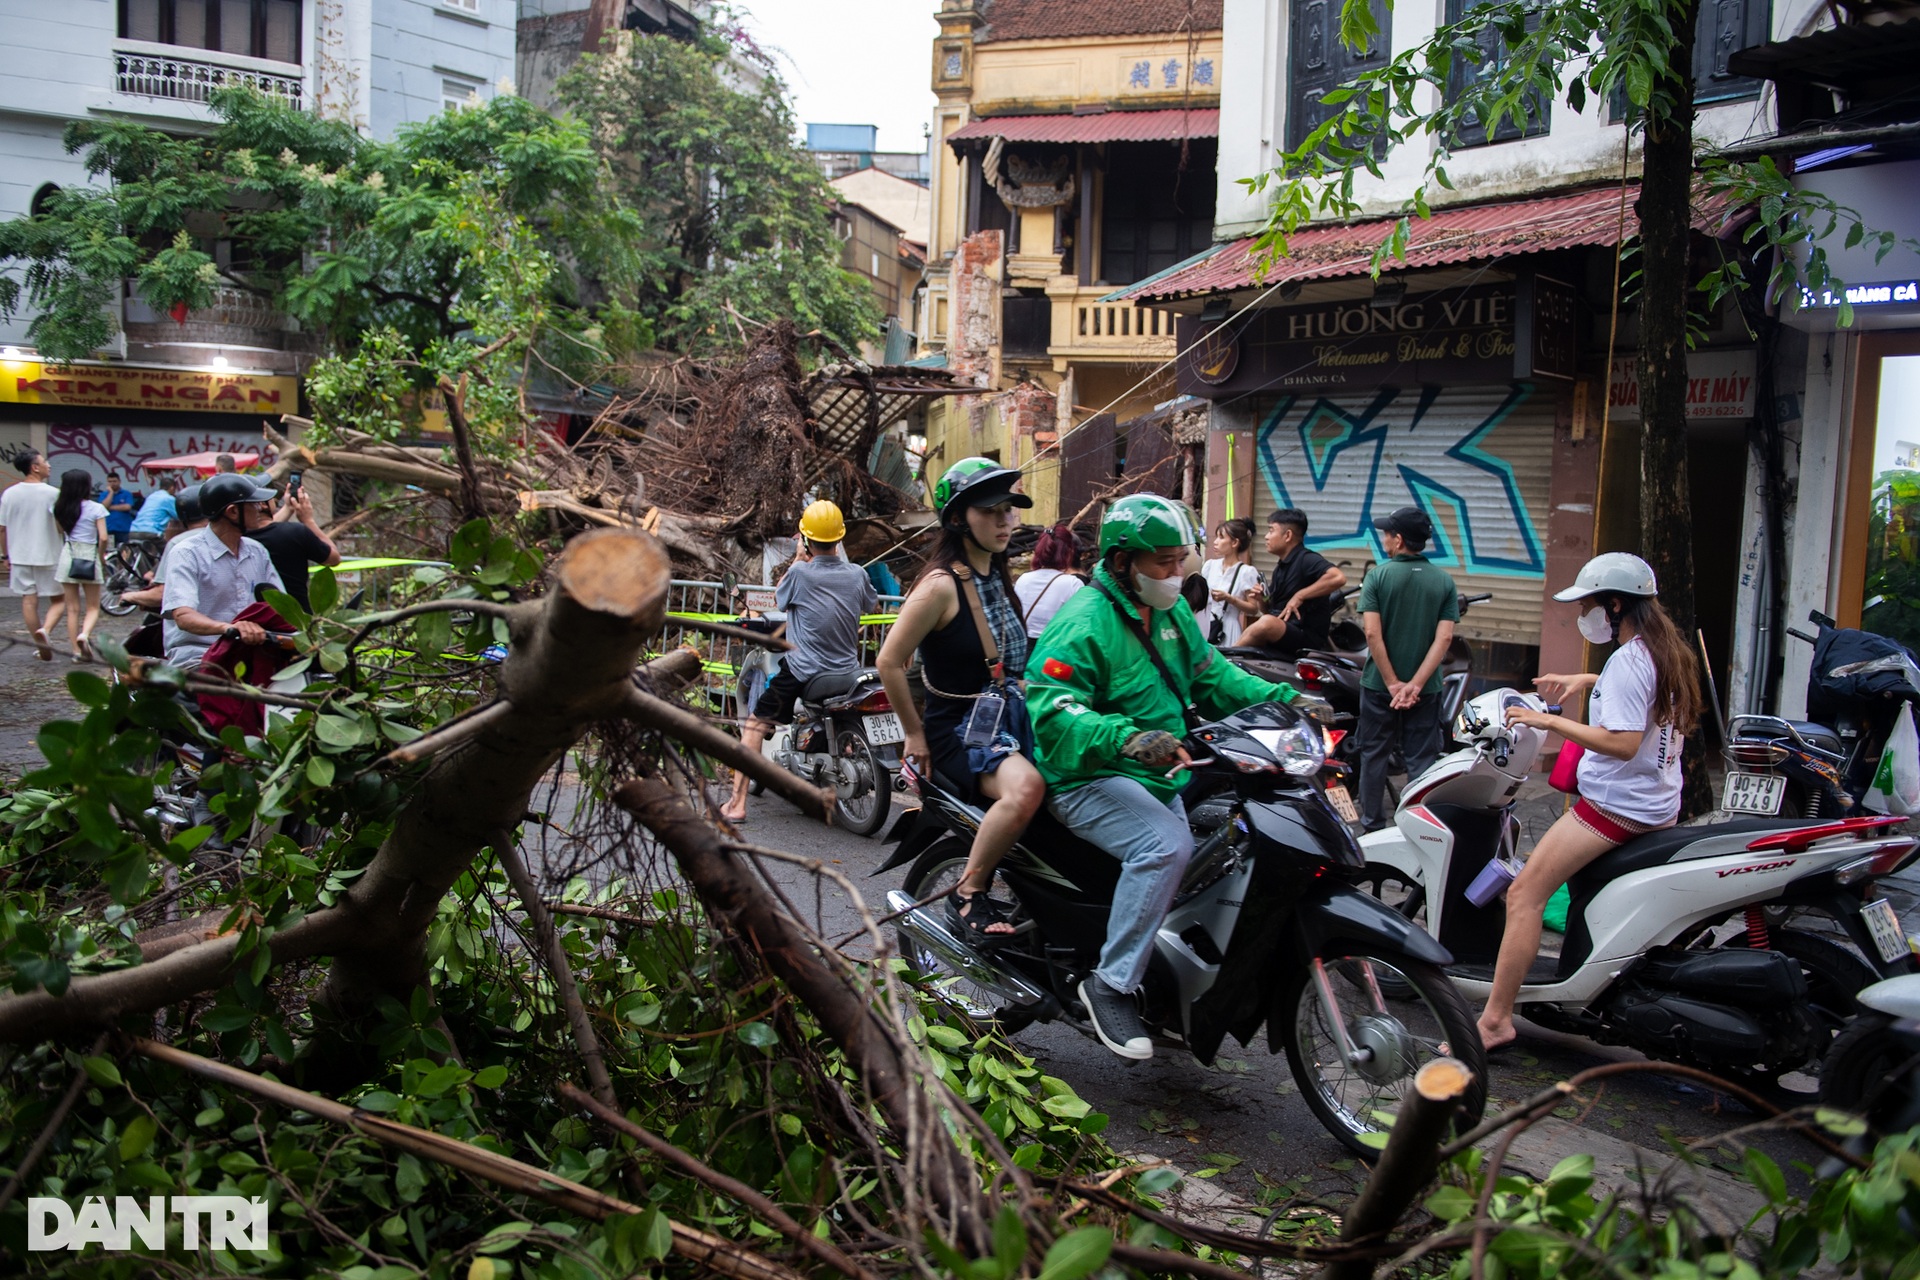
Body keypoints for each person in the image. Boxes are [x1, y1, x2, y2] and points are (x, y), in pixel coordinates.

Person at [1028, 494, 1300, 1060]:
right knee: (1165, 845)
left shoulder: (1173, 612)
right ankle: (1112, 983)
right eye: (1164, 563)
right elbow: (1054, 710)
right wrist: (1126, 737)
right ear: (1123, 561)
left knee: (1227, 843)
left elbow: (1213, 678)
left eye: (1182, 560)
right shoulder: (1082, 622)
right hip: (1086, 775)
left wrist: (1289, 700)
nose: (1177, 574)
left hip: (1160, 773)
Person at [1476, 553, 1700, 1051]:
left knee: (1524, 895)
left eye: (1589, 604)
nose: (1584, 616)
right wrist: (1587, 682)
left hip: (1616, 807)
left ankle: (1494, 1021)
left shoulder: (1628, 660)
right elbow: (1641, 700)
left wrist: (1548, 722)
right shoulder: (1665, 650)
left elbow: (1621, 741)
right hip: (1657, 802)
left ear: (1615, 605)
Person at [878, 458, 1046, 942]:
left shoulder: (997, 575)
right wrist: (914, 734)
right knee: (1026, 789)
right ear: (957, 519)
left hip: (1011, 720)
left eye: (1009, 509)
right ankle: (968, 892)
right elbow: (890, 661)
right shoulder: (939, 587)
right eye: (989, 510)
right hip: (960, 734)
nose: (1004, 520)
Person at [720, 499, 877, 823]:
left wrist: (798, 559)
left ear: (806, 539)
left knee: (754, 724)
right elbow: (871, 604)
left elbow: (781, 598)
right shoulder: (857, 574)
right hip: (849, 669)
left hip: (806, 669)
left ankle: (736, 805)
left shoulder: (799, 573)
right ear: (839, 538)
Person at [1354, 506, 1459, 831]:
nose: (1384, 539)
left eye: (1387, 533)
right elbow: (1444, 640)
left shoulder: (1378, 576)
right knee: (1421, 760)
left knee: (1374, 756)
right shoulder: (1444, 581)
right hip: (1425, 691)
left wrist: (1393, 683)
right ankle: (1417, 827)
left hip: (1377, 687)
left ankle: (1372, 827)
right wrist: (1414, 685)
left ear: (1398, 540)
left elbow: (1372, 633)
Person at [161, 473, 283, 670]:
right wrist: (228, 629)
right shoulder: (187, 553)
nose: (260, 508)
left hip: (250, 653)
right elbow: (183, 616)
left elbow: (281, 604)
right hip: (198, 656)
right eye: (253, 504)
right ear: (233, 512)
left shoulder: (257, 551)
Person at [1238, 509, 1346, 654]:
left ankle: (1222, 660)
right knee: (1264, 623)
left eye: (1271, 531)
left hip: (1306, 637)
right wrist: (1261, 599)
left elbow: (1338, 577)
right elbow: (1268, 611)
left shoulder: (1306, 559)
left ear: (1288, 535)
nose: (1266, 537)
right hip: (1285, 631)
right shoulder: (1281, 568)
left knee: (1267, 623)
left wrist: (1300, 595)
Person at [0, 450, 66, 660]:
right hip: (49, 554)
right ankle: (45, 630)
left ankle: (39, 640)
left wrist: (5, 556)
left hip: (19, 555)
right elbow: (61, 525)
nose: (49, 465)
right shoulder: (53, 493)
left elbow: (2, 528)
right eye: (44, 462)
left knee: (29, 600)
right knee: (59, 599)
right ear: (34, 467)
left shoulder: (9, 494)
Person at [247, 483, 341, 611]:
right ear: (262, 505)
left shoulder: (240, 539)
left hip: (253, 620)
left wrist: (288, 508)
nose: (274, 499)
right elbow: (333, 558)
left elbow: (267, 529)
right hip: (296, 619)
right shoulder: (295, 532)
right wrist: (308, 521)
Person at [51, 470, 109, 661]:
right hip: (89, 555)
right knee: (93, 606)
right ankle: (84, 634)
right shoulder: (96, 508)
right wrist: (101, 557)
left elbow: (60, 531)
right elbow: (103, 537)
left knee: (72, 608)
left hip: (69, 554)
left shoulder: (59, 508)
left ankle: (76, 651)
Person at [121, 484, 204, 615]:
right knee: (165, 551)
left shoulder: (152, 496)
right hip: (151, 532)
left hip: (134, 530)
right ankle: (153, 574)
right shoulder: (179, 542)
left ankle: (151, 575)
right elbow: (176, 515)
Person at [1198, 517, 1262, 647]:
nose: (1215, 542)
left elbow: (1253, 609)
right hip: (1206, 624)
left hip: (1228, 629)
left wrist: (1229, 599)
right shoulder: (1210, 566)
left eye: (1221, 538)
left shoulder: (1247, 572)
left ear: (1234, 543)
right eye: (1216, 537)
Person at [1014, 523, 1085, 639]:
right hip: (1054, 650)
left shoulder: (1023, 579)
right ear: (1068, 552)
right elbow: (1079, 627)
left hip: (1026, 650)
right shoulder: (1073, 584)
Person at [129, 475, 180, 542]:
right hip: (151, 532)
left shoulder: (151, 496)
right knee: (168, 549)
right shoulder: (169, 498)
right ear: (172, 488)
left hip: (133, 531)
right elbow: (179, 516)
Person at [98, 472, 138, 545]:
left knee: (124, 551)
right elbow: (103, 507)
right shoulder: (104, 494)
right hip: (109, 528)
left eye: (114, 481)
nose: (112, 483)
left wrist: (110, 507)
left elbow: (127, 507)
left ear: (119, 482)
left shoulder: (126, 494)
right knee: (109, 550)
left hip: (124, 529)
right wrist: (111, 493)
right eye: (110, 481)